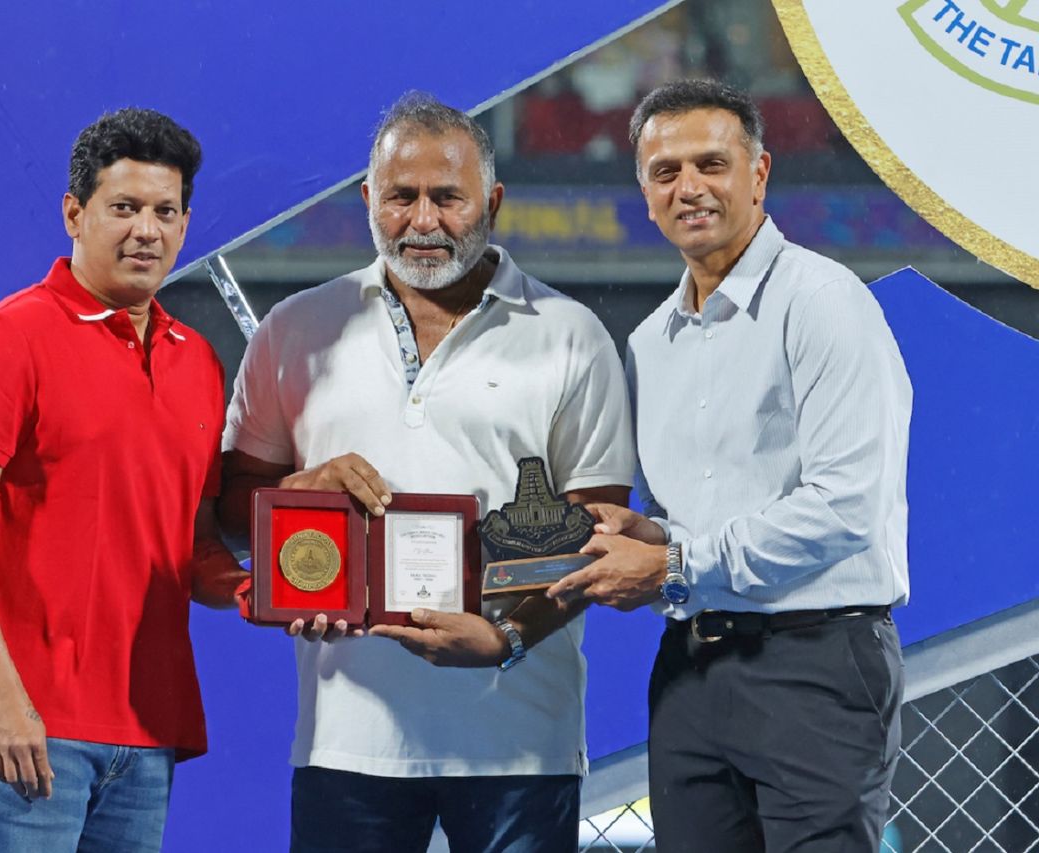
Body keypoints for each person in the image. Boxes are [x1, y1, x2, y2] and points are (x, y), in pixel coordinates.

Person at [219, 92, 636, 853]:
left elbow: (597, 532)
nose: (422, 221)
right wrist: (292, 500)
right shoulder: (295, 330)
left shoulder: (572, 337)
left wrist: (504, 634)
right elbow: (228, 516)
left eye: (447, 197)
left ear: (493, 201)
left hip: (521, 740)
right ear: (366, 199)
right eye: (399, 197)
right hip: (346, 739)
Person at [546, 79, 912, 852]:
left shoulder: (825, 302)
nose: (690, 188)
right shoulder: (649, 344)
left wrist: (672, 561)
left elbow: (845, 507)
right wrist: (648, 530)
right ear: (643, 192)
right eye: (665, 172)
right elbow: (704, 522)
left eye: (711, 163)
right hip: (691, 672)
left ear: (760, 172)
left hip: (817, 667)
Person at [0, 107, 246, 852]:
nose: (147, 230)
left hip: (147, 730)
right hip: (27, 729)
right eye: (124, 208)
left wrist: (265, 591)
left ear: (187, 224)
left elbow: (187, 544)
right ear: (75, 212)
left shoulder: (197, 361)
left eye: (165, 211)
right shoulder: (7, 339)